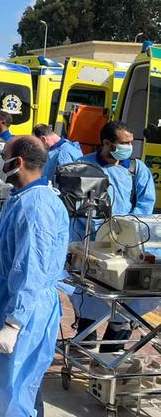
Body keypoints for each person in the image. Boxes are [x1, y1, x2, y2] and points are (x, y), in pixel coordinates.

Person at [0, 136, 69, 417]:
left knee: (22, 387)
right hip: (6, 298)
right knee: (11, 385)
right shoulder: (22, 197)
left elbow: (32, 267)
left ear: (16, 162)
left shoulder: (36, 206)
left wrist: (14, 323)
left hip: (23, 309)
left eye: (2, 155)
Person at [70, 121, 156, 352]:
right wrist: (99, 228)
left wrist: (124, 227)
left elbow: (145, 205)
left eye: (130, 142)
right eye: (124, 142)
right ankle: (86, 337)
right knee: (90, 292)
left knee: (124, 294)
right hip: (91, 242)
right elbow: (75, 205)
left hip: (127, 244)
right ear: (106, 143)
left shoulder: (136, 169)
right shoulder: (83, 167)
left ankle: (113, 344)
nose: (129, 146)